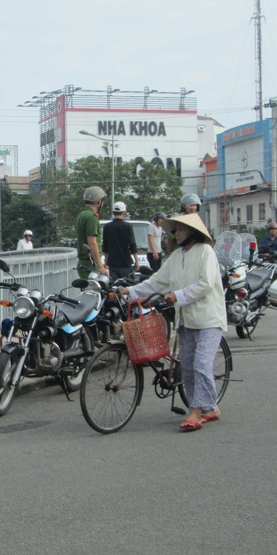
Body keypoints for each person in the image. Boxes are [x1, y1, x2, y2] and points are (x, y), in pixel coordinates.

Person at [120, 213, 227, 431]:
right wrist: (129, 291)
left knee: (201, 364)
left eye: (179, 229)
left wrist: (177, 295)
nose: (175, 233)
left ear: (192, 232)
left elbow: (206, 284)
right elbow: (157, 282)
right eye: (174, 230)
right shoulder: (176, 257)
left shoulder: (206, 252)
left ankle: (197, 411)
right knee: (186, 366)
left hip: (209, 318)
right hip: (186, 319)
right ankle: (211, 408)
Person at [75, 185, 109, 279]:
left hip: (83, 262)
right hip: (90, 264)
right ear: (99, 201)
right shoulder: (92, 217)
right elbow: (92, 243)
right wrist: (100, 267)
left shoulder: (82, 215)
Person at [102, 201, 139, 283]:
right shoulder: (128, 226)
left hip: (112, 263)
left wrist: (105, 261)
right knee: (127, 286)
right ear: (124, 212)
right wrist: (136, 261)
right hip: (125, 263)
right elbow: (132, 244)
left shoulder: (107, 227)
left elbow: (105, 246)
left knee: (114, 287)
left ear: (112, 212)